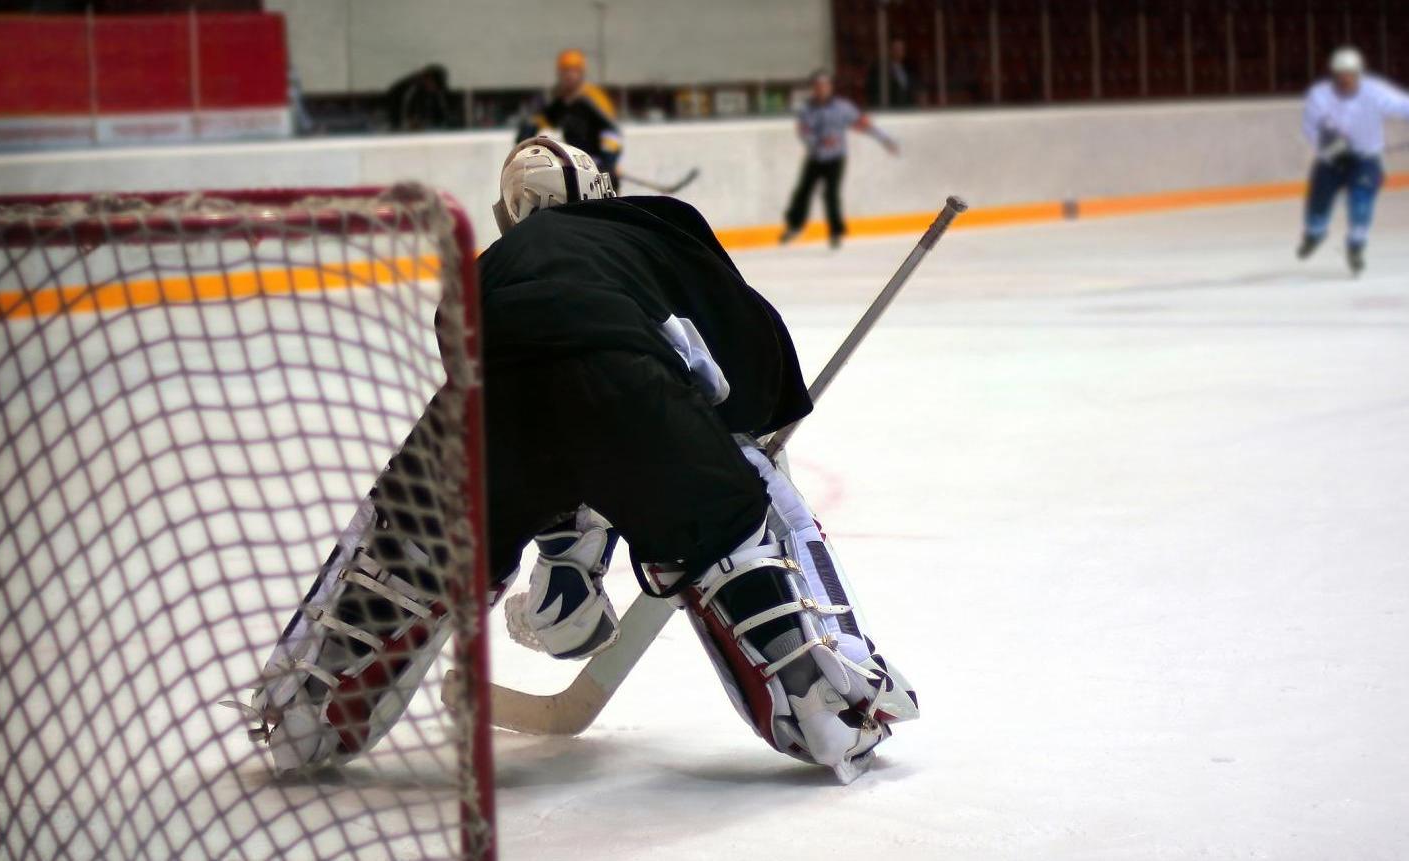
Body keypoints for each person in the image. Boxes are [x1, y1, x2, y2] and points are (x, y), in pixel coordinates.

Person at [245, 138, 918, 783]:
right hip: (625, 392)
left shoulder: (487, 266)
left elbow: (470, 354)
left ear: (510, 214)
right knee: (740, 514)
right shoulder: (655, 225)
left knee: (409, 553)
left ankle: (307, 711)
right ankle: (827, 703)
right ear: (604, 191)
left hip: (486, 414)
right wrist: (750, 427)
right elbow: (743, 331)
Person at [1298, 46, 1409, 275]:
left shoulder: (1373, 91)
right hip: (1330, 161)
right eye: (1340, 74)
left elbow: (1407, 106)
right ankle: (1315, 234)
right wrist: (1333, 148)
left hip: (1365, 160)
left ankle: (1356, 246)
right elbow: (1313, 126)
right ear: (1333, 74)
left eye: (1350, 74)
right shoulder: (1319, 95)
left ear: (1359, 73)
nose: (1345, 79)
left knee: (1361, 203)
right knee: (1317, 206)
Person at [781, 70, 899, 250]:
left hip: (836, 158)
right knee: (803, 191)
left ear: (830, 87)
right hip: (815, 157)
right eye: (818, 86)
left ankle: (836, 232)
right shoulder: (807, 110)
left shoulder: (842, 108)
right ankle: (794, 225)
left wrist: (885, 139)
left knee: (831, 194)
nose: (821, 89)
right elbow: (803, 132)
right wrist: (818, 141)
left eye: (825, 86)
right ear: (814, 89)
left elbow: (864, 124)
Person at [519, 49, 624, 186]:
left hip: (598, 169)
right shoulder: (559, 102)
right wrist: (524, 145)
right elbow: (536, 123)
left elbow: (612, 133)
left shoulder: (593, 99)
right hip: (577, 166)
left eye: (573, 71)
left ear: (581, 73)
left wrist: (608, 163)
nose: (569, 76)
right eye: (565, 71)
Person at [385, 64, 453, 131]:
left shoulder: (433, 91)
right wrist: (408, 123)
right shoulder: (409, 89)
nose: (433, 89)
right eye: (433, 86)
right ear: (428, 79)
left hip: (422, 124)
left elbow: (441, 111)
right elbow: (401, 111)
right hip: (399, 123)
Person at [865, 38, 917, 108]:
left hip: (907, 110)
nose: (899, 52)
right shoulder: (880, 69)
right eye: (896, 49)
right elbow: (873, 90)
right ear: (890, 50)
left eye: (901, 49)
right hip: (890, 110)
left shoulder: (908, 68)